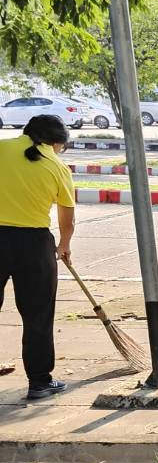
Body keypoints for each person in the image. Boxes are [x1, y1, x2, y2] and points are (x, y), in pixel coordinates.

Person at [0, 115, 74, 400]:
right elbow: (67, 218)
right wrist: (64, 245)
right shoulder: (57, 166)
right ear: (57, 142)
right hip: (34, 245)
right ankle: (40, 382)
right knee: (38, 315)